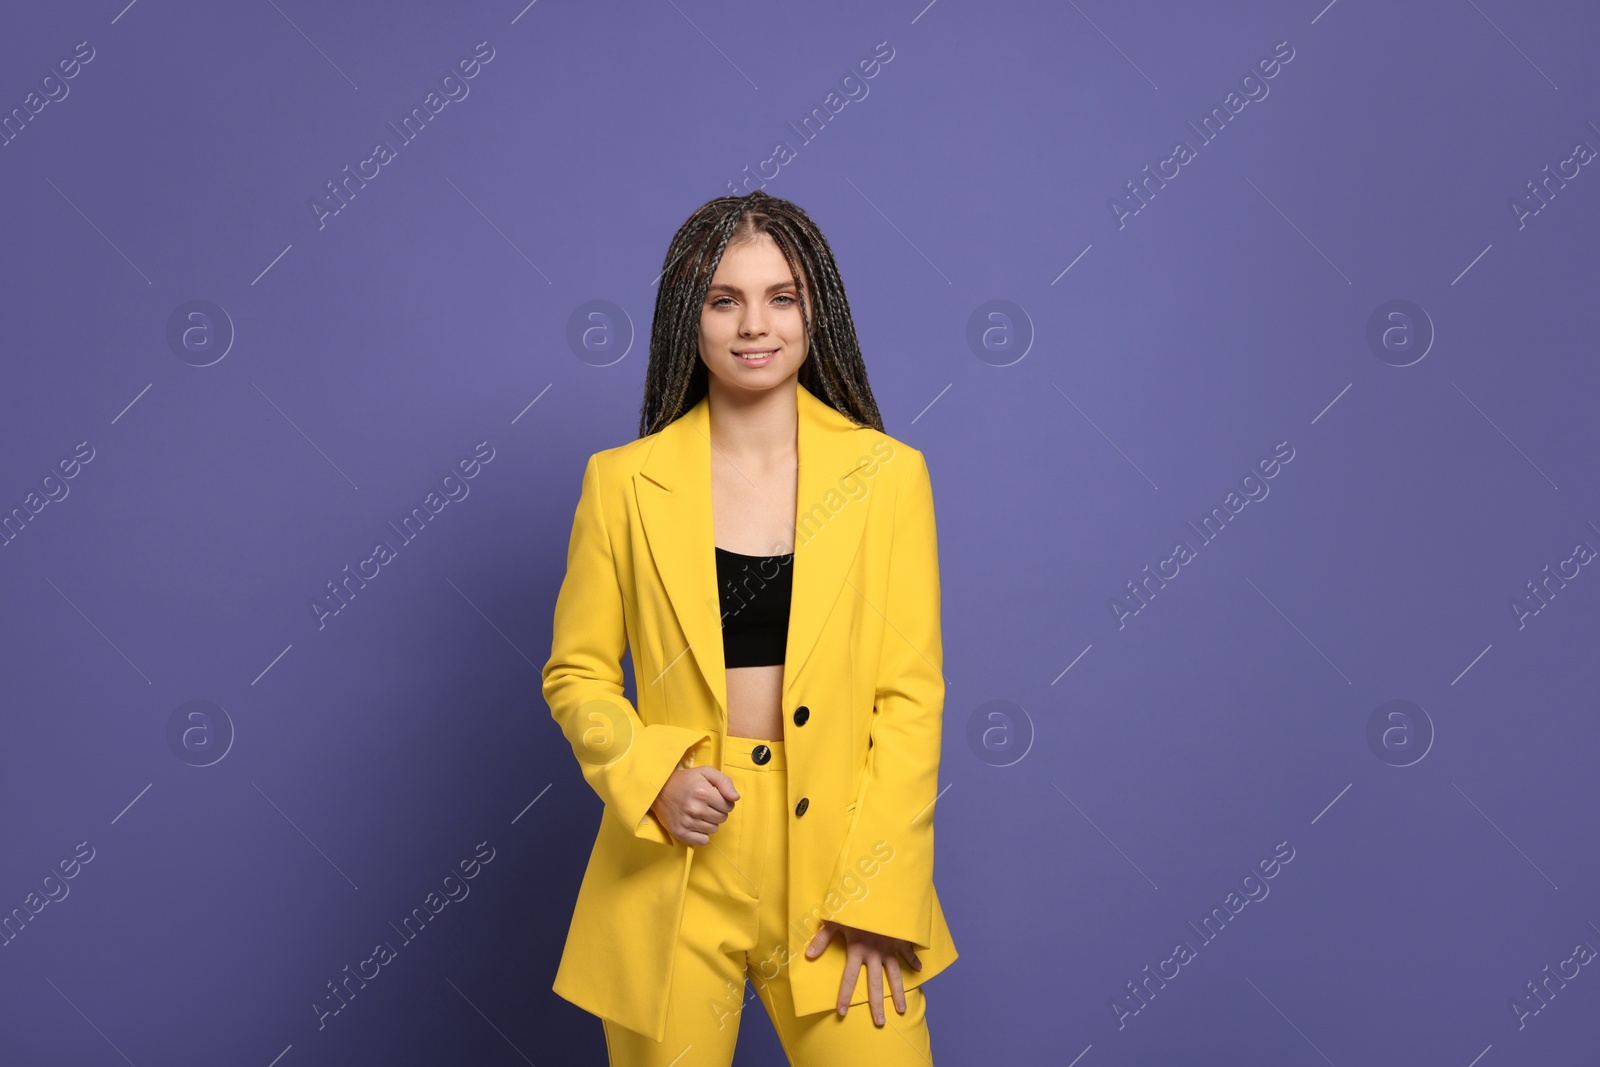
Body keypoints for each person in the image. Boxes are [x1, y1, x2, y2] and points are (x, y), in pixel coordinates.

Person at [542, 189, 958, 1065]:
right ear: (687, 319)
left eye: (782, 297)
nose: (753, 325)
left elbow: (911, 698)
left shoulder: (889, 476)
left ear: (818, 313)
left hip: (842, 861)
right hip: (674, 859)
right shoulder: (620, 483)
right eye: (724, 299)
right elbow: (576, 672)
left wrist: (882, 892)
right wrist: (650, 775)